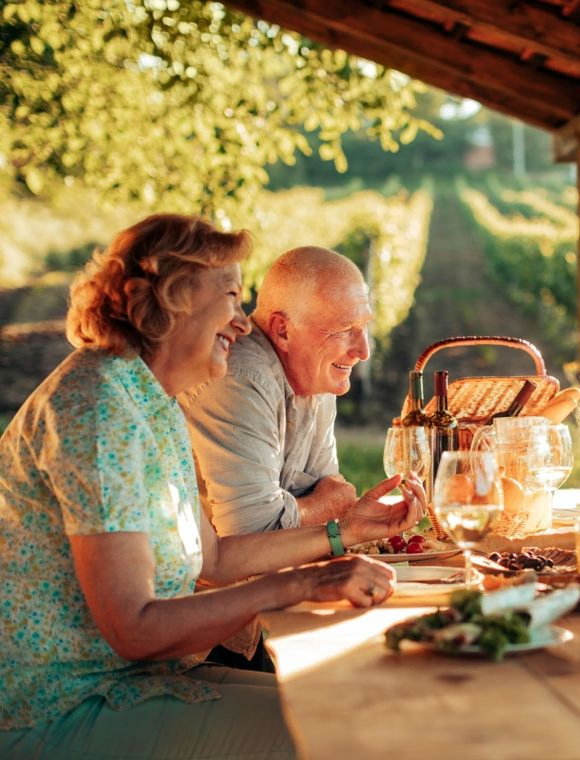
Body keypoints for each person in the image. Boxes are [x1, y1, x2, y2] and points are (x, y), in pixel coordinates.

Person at [0, 214, 425, 758]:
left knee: (366, 701)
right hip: (55, 705)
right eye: (231, 298)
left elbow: (217, 558)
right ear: (175, 302)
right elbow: (134, 629)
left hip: (136, 680)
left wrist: (346, 533)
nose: (244, 324)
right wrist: (301, 585)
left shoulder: (152, 402)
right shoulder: (100, 409)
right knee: (354, 736)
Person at [179, 246, 374, 538]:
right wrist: (324, 508)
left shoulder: (316, 373)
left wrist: (321, 508)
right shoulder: (239, 379)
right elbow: (251, 536)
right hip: (205, 582)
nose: (363, 351)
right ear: (282, 330)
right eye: (344, 329)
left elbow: (328, 491)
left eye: (363, 327)